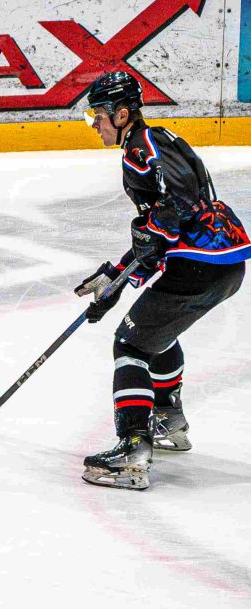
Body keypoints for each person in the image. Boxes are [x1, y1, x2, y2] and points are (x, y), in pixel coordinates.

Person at [75, 71, 250, 490]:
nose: (94, 124)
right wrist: (115, 277)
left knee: (130, 344)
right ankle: (168, 419)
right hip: (223, 263)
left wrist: (147, 241)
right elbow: (163, 231)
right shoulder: (156, 140)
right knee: (157, 332)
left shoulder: (141, 147)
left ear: (121, 114)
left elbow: (178, 207)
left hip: (199, 264)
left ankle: (133, 449)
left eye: (97, 115)